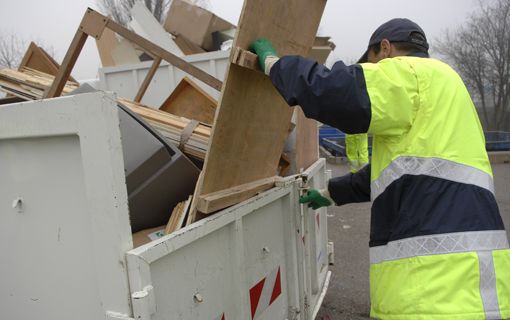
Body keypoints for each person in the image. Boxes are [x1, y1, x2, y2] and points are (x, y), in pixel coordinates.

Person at [250, 18, 510, 319]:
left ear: (385, 49)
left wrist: (275, 65)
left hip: (434, 292)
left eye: (371, 65)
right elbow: (399, 174)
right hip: (480, 290)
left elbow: (334, 91)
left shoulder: (410, 73)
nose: (372, 73)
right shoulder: (447, 86)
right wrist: (330, 192)